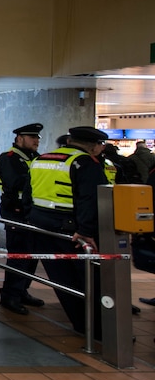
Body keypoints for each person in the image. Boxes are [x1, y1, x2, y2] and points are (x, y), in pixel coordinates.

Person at [27, 126, 109, 336]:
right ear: (94, 145)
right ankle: (97, 329)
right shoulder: (85, 163)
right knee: (90, 278)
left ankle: (80, 324)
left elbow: (29, 194)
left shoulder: (41, 159)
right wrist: (87, 231)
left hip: (42, 226)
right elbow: (89, 200)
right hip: (72, 230)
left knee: (61, 278)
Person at [0, 122, 45, 315]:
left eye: (37, 138)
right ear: (19, 139)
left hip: (32, 212)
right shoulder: (9, 159)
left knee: (31, 255)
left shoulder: (37, 158)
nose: (36, 141)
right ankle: (10, 295)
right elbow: (13, 182)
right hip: (15, 212)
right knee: (19, 255)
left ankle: (22, 290)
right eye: (32, 137)